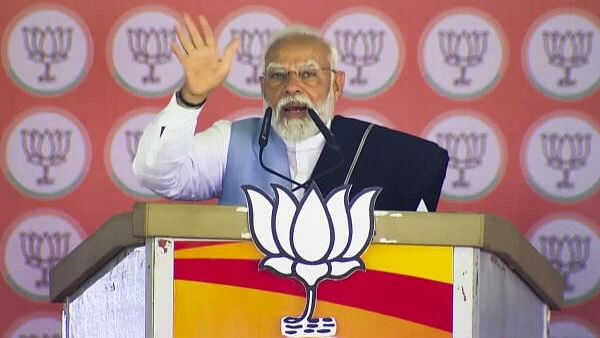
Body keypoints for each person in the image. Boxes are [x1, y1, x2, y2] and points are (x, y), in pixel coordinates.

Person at [133, 14, 449, 211]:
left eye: (308, 74)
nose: (292, 88)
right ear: (263, 86)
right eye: (278, 75)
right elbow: (156, 175)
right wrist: (192, 97)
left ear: (337, 85)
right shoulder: (232, 141)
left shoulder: (382, 154)